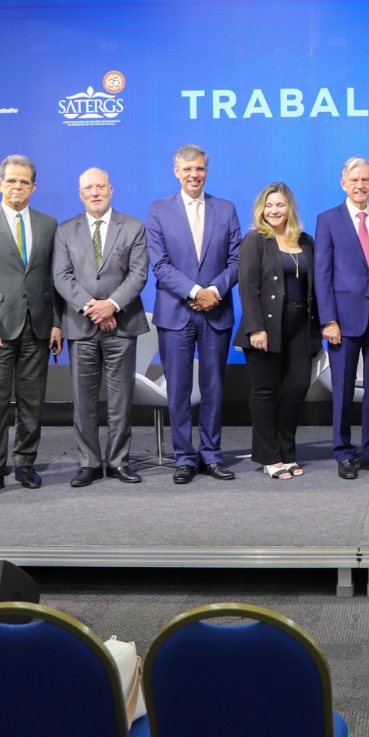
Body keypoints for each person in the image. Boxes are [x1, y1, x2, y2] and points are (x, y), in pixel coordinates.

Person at [0, 154, 63, 499]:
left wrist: (57, 324)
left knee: (32, 400)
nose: (17, 186)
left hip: (39, 325)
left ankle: (25, 464)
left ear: (34, 187)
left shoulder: (49, 224)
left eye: (24, 181)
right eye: (11, 180)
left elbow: (54, 278)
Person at [144, 145, 241, 484]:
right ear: (176, 172)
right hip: (176, 313)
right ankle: (184, 457)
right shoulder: (158, 210)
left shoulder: (226, 209)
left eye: (199, 169)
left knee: (213, 387)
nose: (193, 175)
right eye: (187, 169)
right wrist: (194, 291)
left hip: (216, 310)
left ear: (206, 171)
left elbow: (236, 261)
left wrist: (213, 291)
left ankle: (212, 455)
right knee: (179, 390)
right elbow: (159, 264)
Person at [54, 167, 149, 488]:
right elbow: (61, 277)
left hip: (122, 326)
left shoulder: (133, 227)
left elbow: (138, 275)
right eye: (88, 188)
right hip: (82, 327)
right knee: (84, 402)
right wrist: (92, 308)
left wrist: (112, 305)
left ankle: (119, 461)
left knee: (120, 400)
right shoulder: (65, 231)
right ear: (80, 194)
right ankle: (89, 464)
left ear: (111, 190)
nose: (95, 192)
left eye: (100, 187)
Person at [316, 157, 369, 480]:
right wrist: (328, 320)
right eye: (354, 180)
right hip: (342, 319)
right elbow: (322, 275)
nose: (360, 185)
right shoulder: (328, 220)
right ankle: (343, 452)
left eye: (365, 180)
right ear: (343, 184)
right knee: (342, 389)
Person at [234, 182, 320, 480]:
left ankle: (287, 451)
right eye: (269, 205)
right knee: (266, 391)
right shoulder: (256, 240)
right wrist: (256, 328)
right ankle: (269, 456)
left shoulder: (306, 240)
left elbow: (315, 287)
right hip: (266, 326)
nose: (274, 210)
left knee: (296, 389)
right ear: (261, 209)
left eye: (280, 205)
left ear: (290, 208)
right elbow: (248, 288)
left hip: (301, 326)